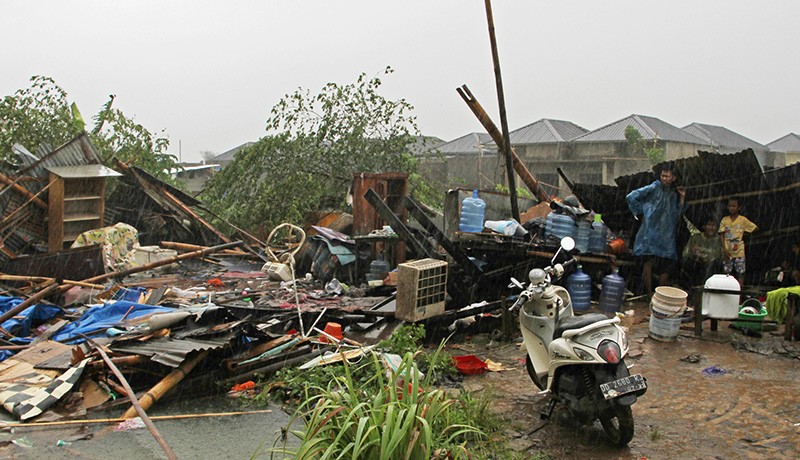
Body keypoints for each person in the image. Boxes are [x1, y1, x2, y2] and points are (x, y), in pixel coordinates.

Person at [626, 164, 686, 296]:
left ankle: (660, 295)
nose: (665, 179)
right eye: (663, 176)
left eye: (668, 176)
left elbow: (677, 214)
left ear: (674, 178)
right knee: (648, 263)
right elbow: (631, 197)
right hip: (650, 235)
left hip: (666, 236)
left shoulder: (673, 194)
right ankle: (649, 295)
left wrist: (682, 198)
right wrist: (642, 211)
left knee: (667, 266)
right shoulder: (654, 187)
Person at [718, 197, 758, 287]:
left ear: (739, 208)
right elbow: (722, 234)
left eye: (734, 206)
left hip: (739, 250)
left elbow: (755, 228)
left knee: (740, 273)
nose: (732, 208)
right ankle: (727, 290)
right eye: (730, 206)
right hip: (727, 251)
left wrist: (744, 235)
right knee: (727, 274)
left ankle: (739, 292)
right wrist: (724, 249)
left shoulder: (743, 220)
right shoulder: (725, 220)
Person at [680, 217, 722, 289]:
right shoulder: (696, 237)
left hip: (710, 265)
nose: (711, 228)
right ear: (704, 226)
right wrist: (694, 253)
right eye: (709, 225)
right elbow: (686, 253)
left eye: (713, 225)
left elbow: (717, 254)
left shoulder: (718, 239)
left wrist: (701, 250)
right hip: (696, 263)